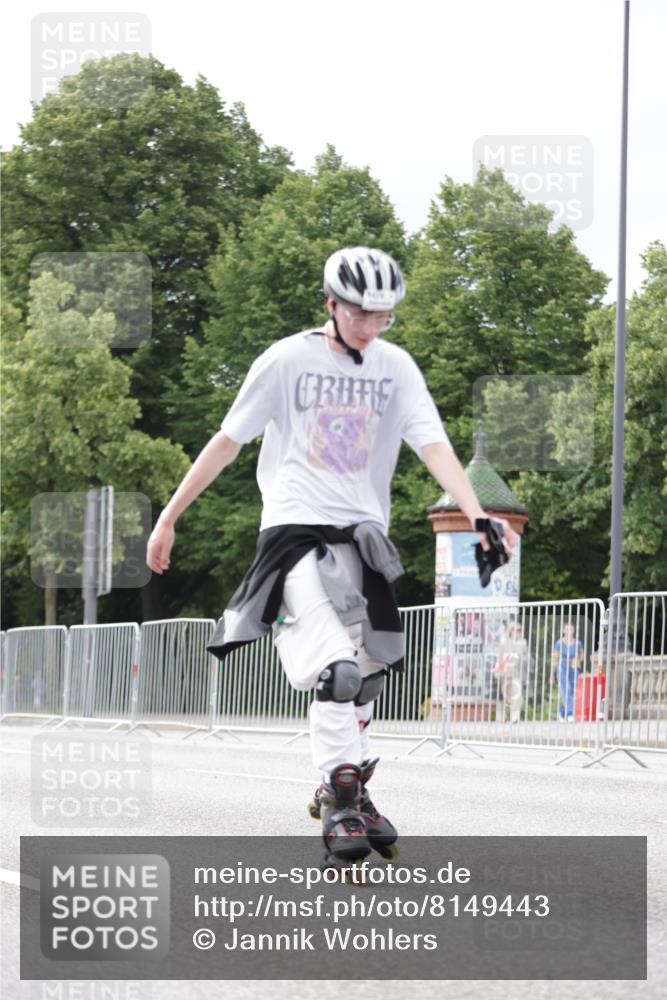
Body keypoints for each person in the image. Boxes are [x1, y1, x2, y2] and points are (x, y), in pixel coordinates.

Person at [146, 246, 518, 871]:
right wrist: (169, 515)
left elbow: (433, 445)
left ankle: (345, 787)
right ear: (330, 305)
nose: (372, 328)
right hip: (294, 532)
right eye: (360, 316)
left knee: (369, 674)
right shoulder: (287, 360)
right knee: (336, 672)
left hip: (362, 534)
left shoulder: (396, 367)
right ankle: (343, 798)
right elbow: (228, 440)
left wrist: (478, 511)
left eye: (385, 317)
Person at [494, 621, 529, 724]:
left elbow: (525, 656)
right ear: (510, 631)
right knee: (504, 695)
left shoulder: (523, 642)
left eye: (519, 630)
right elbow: (500, 657)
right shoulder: (504, 642)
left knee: (516, 695)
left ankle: (515, 717)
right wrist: (498, 671)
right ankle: (501, 717)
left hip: (517, 671)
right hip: (505, 671)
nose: (516, 632)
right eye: (514, 629)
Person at [551, 622, 585, 721]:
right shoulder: (559, 643)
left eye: (571, 629)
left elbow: (582, 656)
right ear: (563, 631)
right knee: (566, 690)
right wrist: (552, 675)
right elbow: (555, 659)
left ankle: (562, 713)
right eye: (567, 629)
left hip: (574, 668)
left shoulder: (578, 643)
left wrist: (577, 660)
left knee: (573, 691)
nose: (569, 631)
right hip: (562, 667)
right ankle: (570, 714)